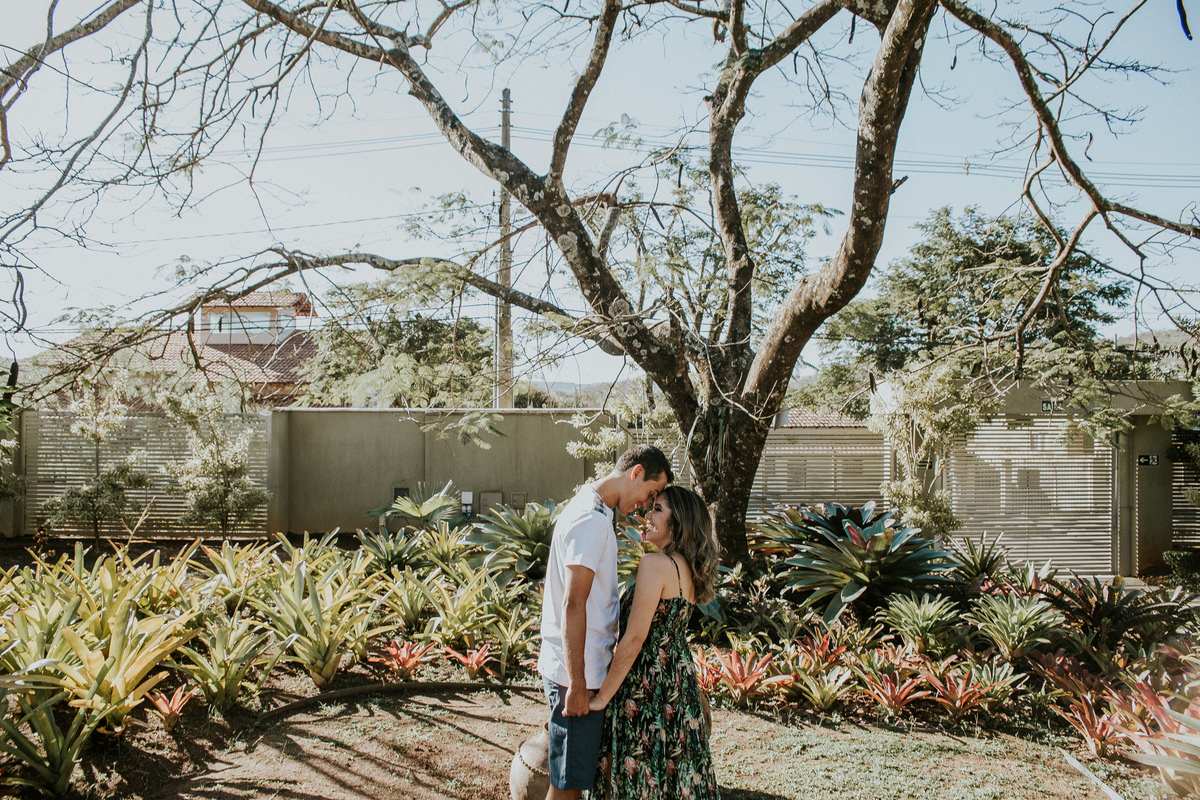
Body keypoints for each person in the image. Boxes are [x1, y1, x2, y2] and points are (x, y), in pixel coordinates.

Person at [538, 444, 674, 800]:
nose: (646, 504)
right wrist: (577, 684)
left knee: (571, 781)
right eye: (651, 493)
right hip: (576, 676)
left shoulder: (594, 508)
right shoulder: (592, 519)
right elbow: (573, 604)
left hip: (581, 670)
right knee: (566, 788)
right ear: (636, 473)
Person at [588, 485, 721, 800]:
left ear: (678, 522)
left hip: (646, 685)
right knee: (672, 775)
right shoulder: (686, 568)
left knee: (639, 775)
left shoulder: (655, 564)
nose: (647, 514)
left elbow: (635, 639)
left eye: (658, 509)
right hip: (678, 683)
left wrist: (602, 698)